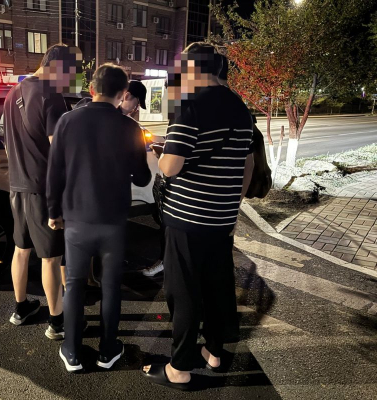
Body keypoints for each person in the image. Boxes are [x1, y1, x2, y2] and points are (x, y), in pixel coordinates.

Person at [141, 43, 255, 390]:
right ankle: (214, 352)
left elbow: (171, 167)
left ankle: (179, 368)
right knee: (217, 286)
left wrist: (158, 154)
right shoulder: (240, 107)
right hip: (222, 219)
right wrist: (231, 204)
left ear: (192, 69)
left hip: (187, 218)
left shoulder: (191, 105)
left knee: (184, 291)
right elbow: (247, 164)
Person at [47, 64, 151, 372]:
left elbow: (54, 173)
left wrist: (53, 212)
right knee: (111, 286)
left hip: (76, 218)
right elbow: (143, 178)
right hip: (114, 220)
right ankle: (108, 352)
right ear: (122, 94)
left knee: (75, 284)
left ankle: (71, 352)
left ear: (92, 89)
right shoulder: (130, 127)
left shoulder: (67, 121)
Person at [3, 44, 82, 340]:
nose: (71, 78)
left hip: (17, 186)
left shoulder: (13, 93)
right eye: (71, 72)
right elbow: (58, 150)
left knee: (20, 250)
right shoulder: (50, 94)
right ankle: (57, 322)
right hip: (43, 189)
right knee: (52, 257)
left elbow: (7, 143)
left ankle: (21, 308)